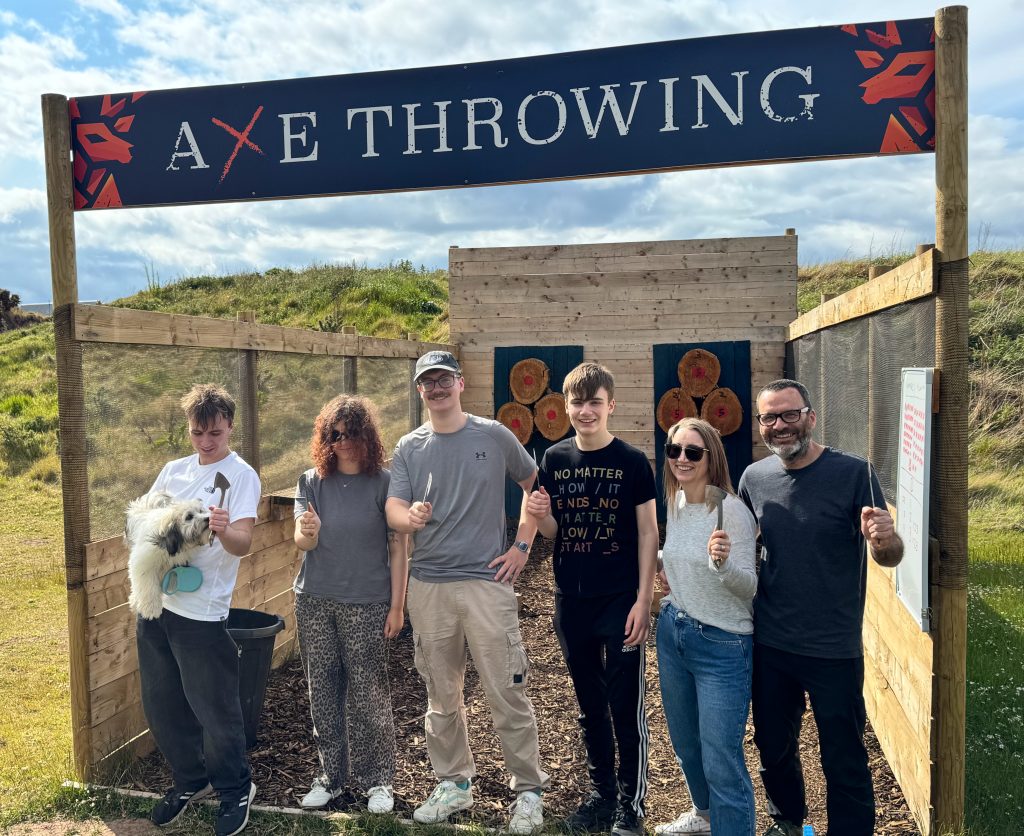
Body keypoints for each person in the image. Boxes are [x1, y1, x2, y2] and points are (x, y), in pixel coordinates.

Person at [385, 350, 550, 834]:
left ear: (460, 383)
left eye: (443, 380)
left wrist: (522, 544)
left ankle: (528, 791)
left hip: (486, 584)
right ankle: (454, 784)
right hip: (429, 586)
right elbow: (393, 507)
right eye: (426, 383)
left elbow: (534, 487)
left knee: (506, 691)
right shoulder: (409, 447)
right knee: (441, 695)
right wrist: (407, 517)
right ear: (420, 392)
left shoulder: (494, 435)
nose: (436, 389)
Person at [737, 379, 903, 836]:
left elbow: (887, 555)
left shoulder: (854, 472)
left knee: (843, 754)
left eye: (790, 415)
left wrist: (887, 540)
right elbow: (743, 549)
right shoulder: (755, 478)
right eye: (769, 417)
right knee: (773, 745)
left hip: (833, 646)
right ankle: (788, 822)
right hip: (772, 640)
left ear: (810, 416)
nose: (780, 426)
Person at [526, 362, 658, 836]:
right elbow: (555, 533)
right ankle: (601, 796)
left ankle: (631, 806)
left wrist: (644, 600)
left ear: (611, 406)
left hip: (621, 600)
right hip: (572, 602)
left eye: (594, 403)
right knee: (589, 706)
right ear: (567, 406)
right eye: (578, 403)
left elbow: (647, 533)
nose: (586, 411)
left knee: (626, 707)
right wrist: (541, 516)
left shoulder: (633, 461)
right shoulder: (554, 460)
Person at [136, 384, 261, 836]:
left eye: (215, 433)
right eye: (197, 433)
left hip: (201, 611)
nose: (206, 442)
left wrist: (225, 531)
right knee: (162, 702)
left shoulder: (240, 475)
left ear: (229, 426)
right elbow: (144, 522)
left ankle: (234, 789)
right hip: (156, 601)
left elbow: (244, 544)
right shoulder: (173, 470)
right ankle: (191, 780)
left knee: (214, 708)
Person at [292, 394, 408, 814]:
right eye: (333, 434)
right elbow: (301, 541)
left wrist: (397, 607)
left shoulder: (385, 482)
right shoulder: (310, 482)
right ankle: (331, 777)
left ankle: (379, 780)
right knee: (322, 689)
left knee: (368, 691)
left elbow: (398, 548)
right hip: (315, 600)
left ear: (366, 435)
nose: (341, 442)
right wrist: (310, 530)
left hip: (367, 603)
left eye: (349, 433)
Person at [653, 418, 758, 836]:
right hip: (674, 630)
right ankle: (704, 815)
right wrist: (667, 569)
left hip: (722, 644)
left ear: (711, 457)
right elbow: (676, 554)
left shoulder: (730, 511)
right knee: (687, 746)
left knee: (721, 759)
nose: (681, 459)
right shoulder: (676, 501)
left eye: (692, 452)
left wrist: (723, 565)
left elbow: (748, 588)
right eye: (674, 450)